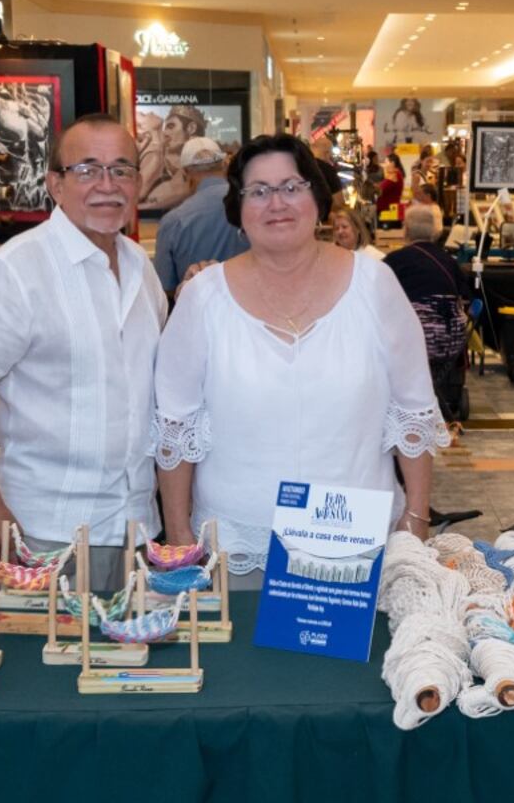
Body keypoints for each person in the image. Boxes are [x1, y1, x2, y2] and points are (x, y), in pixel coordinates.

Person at [154, 134, 448, 578]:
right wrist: (179, 537)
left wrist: (417, 520)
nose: (277, 203)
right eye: (259, 191)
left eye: (292, 187)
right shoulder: (203, 298)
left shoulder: (375, 284)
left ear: (317, 198)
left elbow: (414, 411)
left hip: (357, 549)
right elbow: (175, 429)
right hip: (235, 549)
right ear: (238, 207)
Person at [0, 114, 166, 592]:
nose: (107, 185)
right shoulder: (15, 271)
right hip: (42, 530)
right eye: (87, 170)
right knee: (34, 643)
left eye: (121, 169)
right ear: (55, 184)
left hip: (135, 525)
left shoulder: (140, 269)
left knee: (128, 640)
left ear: (137, 183)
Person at [385, 200, 471, 429]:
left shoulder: (394, 261)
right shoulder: (448, 261)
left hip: (413, 342)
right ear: (434, 231)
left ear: (406, 230)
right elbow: (465, 297)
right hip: (450, 342)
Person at [152, 137, 242, 297]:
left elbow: (165, 287)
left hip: (198, 308)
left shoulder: (172, 221)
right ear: (224, 165)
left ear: (185, 173)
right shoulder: (250, 206)